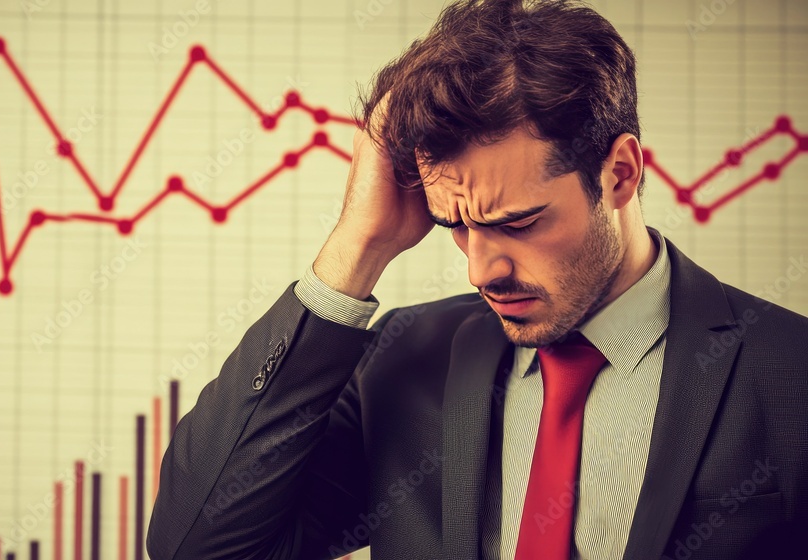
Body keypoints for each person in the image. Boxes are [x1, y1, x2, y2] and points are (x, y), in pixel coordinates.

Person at [146, 0, 808, 558]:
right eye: (454, 225)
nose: (481, 268)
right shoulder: (408, 357)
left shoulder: (790, 375)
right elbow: (200, 545)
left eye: (519, 223)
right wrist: (358, 244)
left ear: (621, 173)